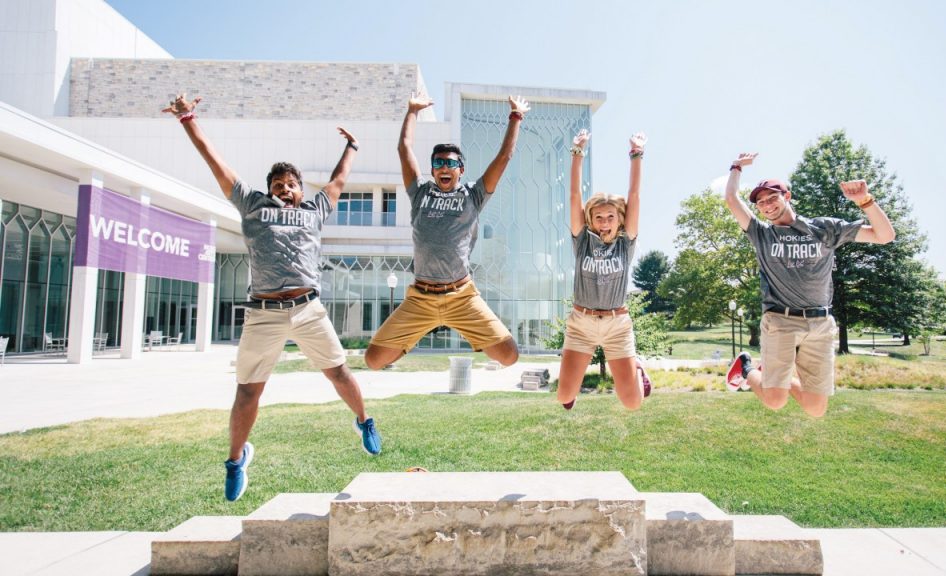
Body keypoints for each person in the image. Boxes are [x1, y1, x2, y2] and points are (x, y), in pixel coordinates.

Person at [163, 93, 382, 502]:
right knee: (248, 391)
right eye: (278, 184)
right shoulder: (251, 205)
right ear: (268, 190)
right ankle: (235, 459)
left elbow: (337, 181)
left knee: (339, 373)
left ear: (300, 190)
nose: (285, 188)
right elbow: (216, 163)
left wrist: (351, 147)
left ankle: (364, 420)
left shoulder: (314, 210)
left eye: (292, 184)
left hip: (307, 309)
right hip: (263, 313)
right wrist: (188, 119)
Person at [363, 93, 530, 369]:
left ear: (460, 170)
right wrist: (412, 111)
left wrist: (516, 116)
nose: (444, 167)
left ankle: (461, 328)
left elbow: (504, 157)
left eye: (450, 163)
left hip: (461, 296)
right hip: (420, 297)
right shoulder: (420, 192)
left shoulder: (473, 195)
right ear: (432, 169)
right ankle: (414, 335)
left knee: (509, 355)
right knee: (373, 360)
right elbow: (404, 149)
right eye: (438, 163)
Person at [723, 152, 895, 417]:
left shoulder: (824, 229)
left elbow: (884, 236)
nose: (767, 205)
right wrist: (736, 167)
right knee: (774, 400)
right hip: (781, 321)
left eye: (772, 197)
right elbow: (732, 199)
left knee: (815, 408)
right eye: (761, 203)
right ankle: (747, 368)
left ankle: (769, 377)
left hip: (820, 324)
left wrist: (865, 201)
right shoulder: (762, 234)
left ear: (787, 196)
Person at [556, 129, 647, 411]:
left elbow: (634, 194)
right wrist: (577, 152)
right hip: (581, 324)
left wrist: (636, 154)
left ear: (619, 220)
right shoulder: (582, 241)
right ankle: (571, 388)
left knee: (632, 403)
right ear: (591, 220)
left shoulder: (626, 243)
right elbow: (573, 196)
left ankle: (639, 372)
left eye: (610, 217)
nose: (605, 222)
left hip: (617, 326)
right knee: (563, 397)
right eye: (599, 217)